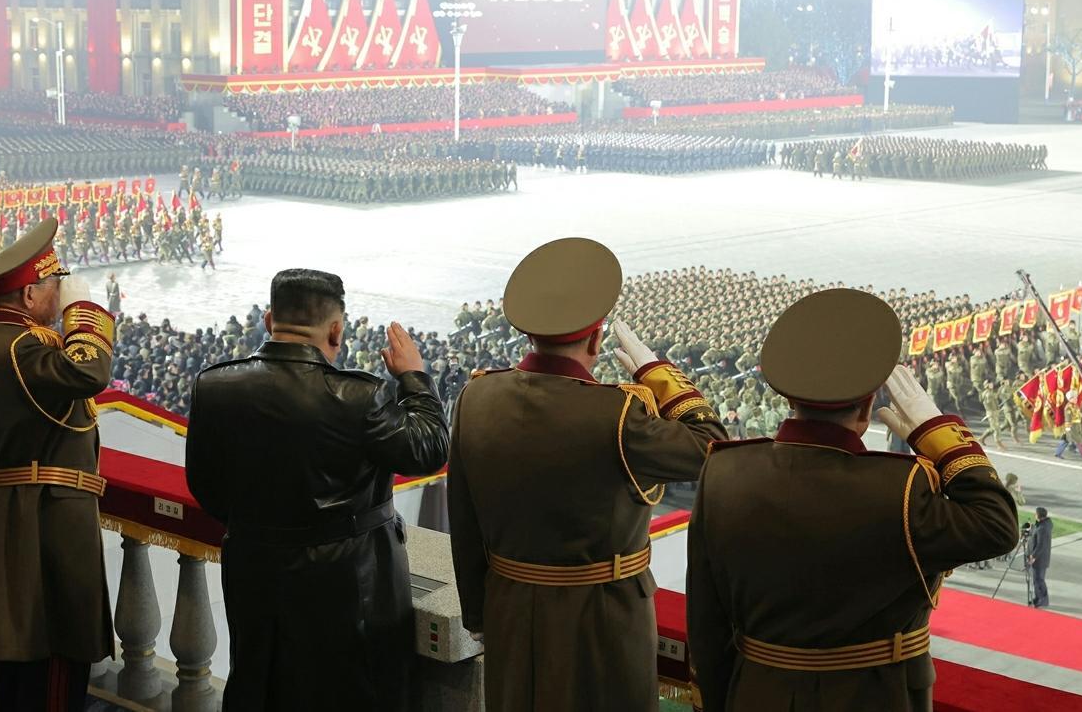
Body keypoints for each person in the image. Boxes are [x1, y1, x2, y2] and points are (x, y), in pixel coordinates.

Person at [686, 289, 1018, 712]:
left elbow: (707, 625)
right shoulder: (900, 490)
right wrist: (936, 432)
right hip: (874, 697)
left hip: (756, 692)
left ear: (789, 398)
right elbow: (996, 524)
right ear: (869, 405)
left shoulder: (724, 473)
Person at [447, 238, 727, 712]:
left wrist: (481, 610)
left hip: (510, 605)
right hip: (602, 613)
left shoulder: (477, 397)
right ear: (597, 339)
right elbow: (710, 446)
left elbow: (464, 519)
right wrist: (656, 372)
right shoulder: (617, 415)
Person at [186, 268, 449, 712]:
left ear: (270, 321)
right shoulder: (360, 396)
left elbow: (204, 485)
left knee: (261, 682)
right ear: (335, 329)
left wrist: (261, 527)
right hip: (349, 581)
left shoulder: (214, 385)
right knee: (353, 690)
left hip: (254, 567)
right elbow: (429, 450)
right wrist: (415, 378)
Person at [0, 219, 114, 711]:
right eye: (53, 287)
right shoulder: (19, 347)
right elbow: (89, 371)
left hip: (21, 504)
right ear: (29, 296)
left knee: (22, 647)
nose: (59, 296)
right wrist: (84, 311)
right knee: (56, 645)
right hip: (44, 512)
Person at [1027, 506, 1053, 608]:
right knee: (1036, 580)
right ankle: (1038, 598)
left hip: (1040, 559)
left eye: (1035, 513)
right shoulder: (1043, 525)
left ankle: (1043, 600)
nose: (1034, 515)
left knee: (1039, 579)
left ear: (1039, 515)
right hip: (1040, 558)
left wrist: (1033, 556)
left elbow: (1041, 545)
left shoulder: (1043, 528)